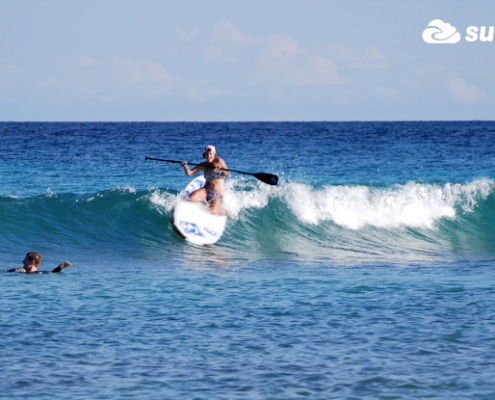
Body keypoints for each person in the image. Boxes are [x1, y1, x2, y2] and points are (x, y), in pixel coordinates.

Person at [181, 145, 231, 215]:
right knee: (191, 198)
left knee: (213, 212)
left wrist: (222, 170)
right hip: (206, 191)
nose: (209, 156)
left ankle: (226, 212)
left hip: (217, 194)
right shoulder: (203, 165)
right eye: (207, 154)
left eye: (211, 154)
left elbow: (228, 174)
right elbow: (189, 173)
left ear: (214, 154)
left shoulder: (219, 161)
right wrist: (185, 166)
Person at [7, 252, 71, 274]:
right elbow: (6, 272)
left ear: (32, 262)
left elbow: (52, 273)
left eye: (25, 259)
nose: (23, 261)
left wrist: (60, 268)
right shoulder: (20, 271)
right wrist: (16, 271)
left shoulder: (40, 273)